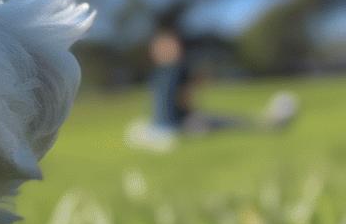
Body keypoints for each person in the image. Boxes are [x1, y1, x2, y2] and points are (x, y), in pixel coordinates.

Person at [127, 19, 299, 152]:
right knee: (226, 121)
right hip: (179, 126)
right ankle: (270, 123)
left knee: (217, 121)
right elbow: (184, 99)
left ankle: (268, 122)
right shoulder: (179, 69)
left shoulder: (157, 73)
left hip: (159, 127)